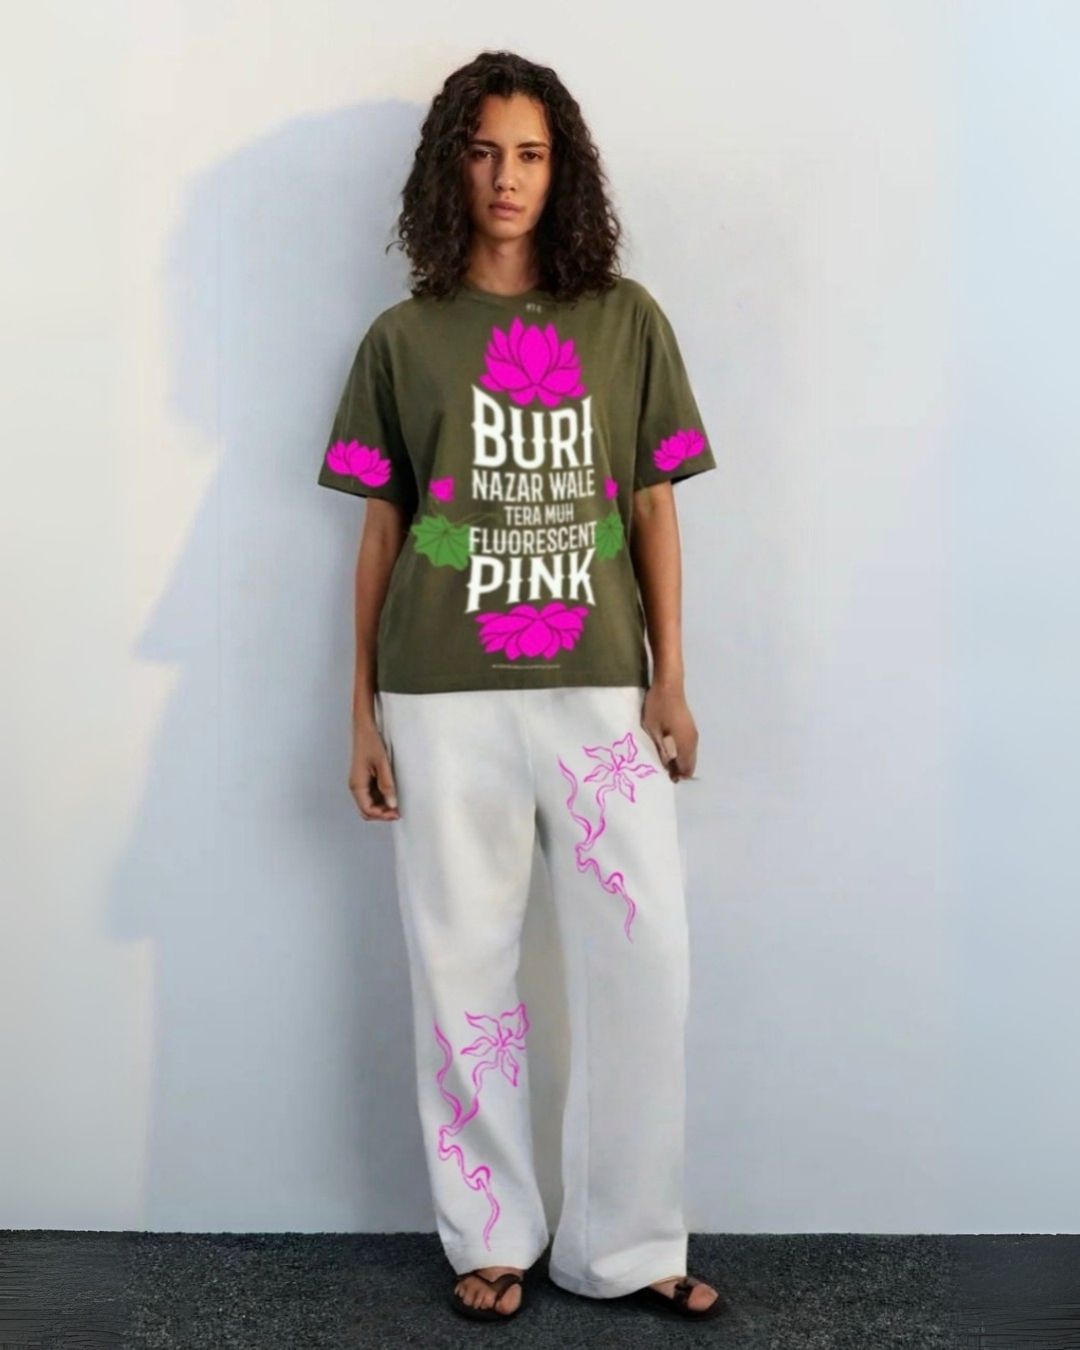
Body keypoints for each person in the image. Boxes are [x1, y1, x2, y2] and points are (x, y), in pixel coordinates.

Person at [318, 50, 728, 1325]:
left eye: (532, 154)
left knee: (645, 956)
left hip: (599, 688)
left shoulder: (624, 319)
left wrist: (671, 679)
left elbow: (652, 505)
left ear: (565, 172)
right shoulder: (402, 339)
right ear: (452, 168)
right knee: (462, 966)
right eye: (485, 151)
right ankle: (488, 1234)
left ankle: (627, 1243)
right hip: (440, 691)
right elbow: (380, 531)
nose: (508, 177)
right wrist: (358, 710)